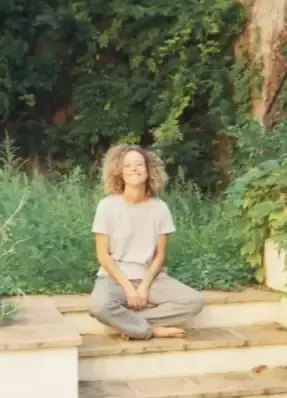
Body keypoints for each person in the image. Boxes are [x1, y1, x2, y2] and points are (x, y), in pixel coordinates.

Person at [88, 143, 205, 339]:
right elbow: (103, 255)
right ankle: (149, 330)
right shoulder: (107, 206)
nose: (134, 169)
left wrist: (143, 288)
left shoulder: (160, 208)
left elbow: (160, 256)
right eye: (127, 165)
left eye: (139, 164)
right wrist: (128, 288)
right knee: (98, 306)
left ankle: (131, 325)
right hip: (114, 277)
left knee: (194, 301)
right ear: (119, 172)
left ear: (149, 170)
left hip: (150, 278)